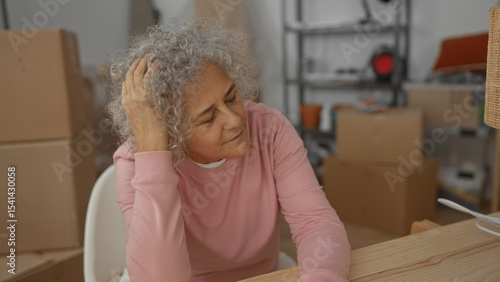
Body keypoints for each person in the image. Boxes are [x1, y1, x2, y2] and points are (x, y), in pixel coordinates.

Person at [106, 18, 351, 282]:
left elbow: (314, 221)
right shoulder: (134, 162)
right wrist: (154, 151)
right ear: (173, 135)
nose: (235, 120)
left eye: (231, 97)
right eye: (209, 118)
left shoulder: (270, 129)